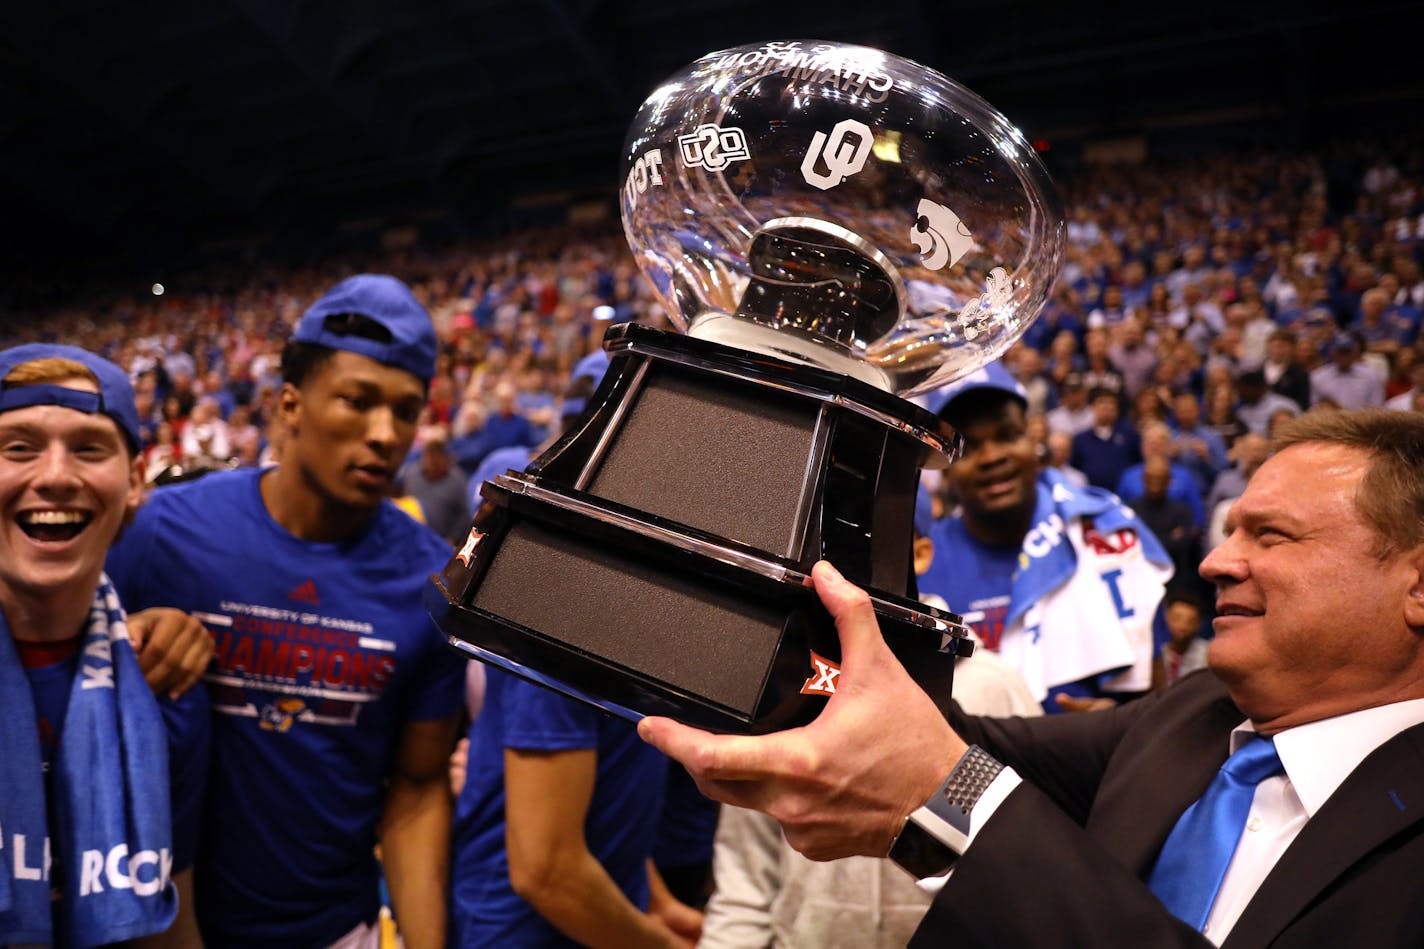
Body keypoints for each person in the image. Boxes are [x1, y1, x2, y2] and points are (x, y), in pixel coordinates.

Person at [644, 408, 1424, 948]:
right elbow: (958, 742)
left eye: (1272, 535)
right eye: (1230, 531)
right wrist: (782, 656)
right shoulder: (1196, 715)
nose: (1218, 561)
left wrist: (960, 796)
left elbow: (959, 774)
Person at [106, 275, 466, 949]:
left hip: (334, 931)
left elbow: (417, 789)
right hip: (158, 928)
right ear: (288, 404)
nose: (385, 434)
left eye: (406, 411)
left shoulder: (432, 579)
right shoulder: (164, 534)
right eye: (357, 402)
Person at [0, 344, 209, 948]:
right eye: (19, 447)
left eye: (89, 448)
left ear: (136, 481)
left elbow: (171, 923)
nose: (56, 476)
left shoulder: (165, 684)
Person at [917, 364, 1172, 709]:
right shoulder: (922, 564)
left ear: (1033, 440)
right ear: (944, 465)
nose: (992, 457)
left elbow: (1157, 698)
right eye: (969, 446)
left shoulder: (1108, 539)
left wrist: (1116, 727)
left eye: (1006, 435)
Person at [448, 662, 703, 948]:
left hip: (603, 921)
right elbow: (547, 875)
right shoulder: (565, 633)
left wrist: (657, 903)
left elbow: (613, 782)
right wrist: (665, 946)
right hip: (524, 930)